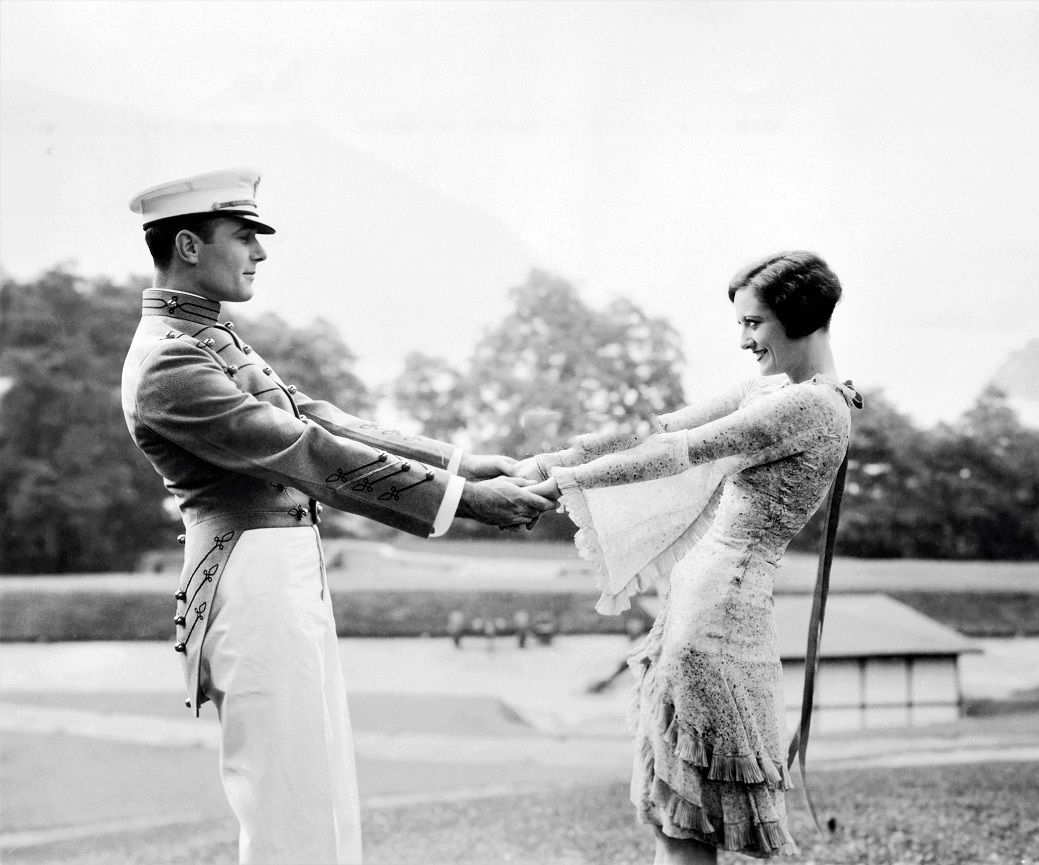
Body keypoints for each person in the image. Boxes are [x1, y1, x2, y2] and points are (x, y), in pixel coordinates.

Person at [120, 166, 557, 865]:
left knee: (319, 785)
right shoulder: (168, 362)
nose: (260, 252)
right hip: (248, 579)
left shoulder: (210, 336)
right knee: (285, 798)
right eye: (244, 236)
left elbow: (311, 413)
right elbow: (303, 449)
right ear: (189, 246)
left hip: (283, 572)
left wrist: (460, 462)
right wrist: (463, 502)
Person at [518, 251, 861, 862]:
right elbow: (663, 426)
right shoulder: (776, 391)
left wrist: (567, 486)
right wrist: (551, 463)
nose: (743, 339)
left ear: (799, 317)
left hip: (721, 613)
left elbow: (682, 451)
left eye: (753, 324)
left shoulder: (808, 406)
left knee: (687, 824)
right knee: (675, 818)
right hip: (704, 602)